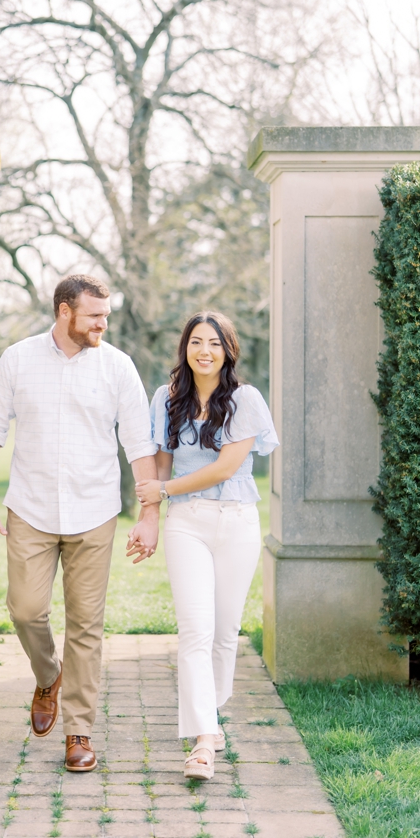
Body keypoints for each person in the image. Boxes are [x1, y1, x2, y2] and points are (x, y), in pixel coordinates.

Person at [0, 274, 161, 773]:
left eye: (106, 315)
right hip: (30, 510)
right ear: (64, 312)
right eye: (95, 315)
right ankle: (47, 674)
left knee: (86, 626)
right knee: (26, 610)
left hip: (94, 512)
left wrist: (148, 512)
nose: (104, 323)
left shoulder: (118, 367)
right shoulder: (17, 359)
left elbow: (140, 444)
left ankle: (79, 731)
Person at [132, 311, 278, 781]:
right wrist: (149, 517)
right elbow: (161, 462)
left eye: (214, 343)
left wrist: (165, 490)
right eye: (196, 341)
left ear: (228, 350)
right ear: (185, 348)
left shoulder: (245, 400)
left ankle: (209, 722)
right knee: (195, 630)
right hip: (187, 524)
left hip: (236, 521)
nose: (205, 351)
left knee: (224, 632)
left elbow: (224, 467)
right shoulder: (166, 398)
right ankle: (202, 742)